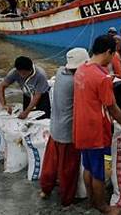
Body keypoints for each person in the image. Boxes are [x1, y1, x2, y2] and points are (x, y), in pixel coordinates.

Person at [73, 35, 121, 214]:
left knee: (88, 167)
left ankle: (91, 201)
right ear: (108, 52)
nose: (112, 59)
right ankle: (102, 206)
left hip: (81, 129)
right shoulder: (102, 77)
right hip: (98, 133)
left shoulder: (81, 70)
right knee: (101, 171)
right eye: (113, 54)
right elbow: (112, 108)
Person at [40, 48, 89, 206]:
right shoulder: (75, 82)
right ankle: (66, 200)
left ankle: (45, 190)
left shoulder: (61, 73)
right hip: (68, 133)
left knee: (50, 164)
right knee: (68, 168)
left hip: (55, 128)